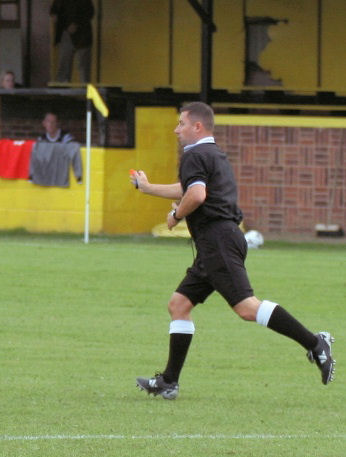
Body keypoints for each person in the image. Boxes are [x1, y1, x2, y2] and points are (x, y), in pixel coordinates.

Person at [132, 102, 335, 400]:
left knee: (246, 308)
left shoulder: (195, 154)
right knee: (179, 305)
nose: (177, 130)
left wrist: (176, 217)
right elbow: (189, 188)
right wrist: (149, 188)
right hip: (218, 240)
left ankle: (315, 343)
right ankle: (169, 382)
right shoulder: (213, 153)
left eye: (181, 124)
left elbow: (196, 194)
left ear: (197, 127)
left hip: (218, 241)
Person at [50, 0, 94, 83]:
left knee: (82, 65)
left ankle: (84, 89)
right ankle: (63, 88)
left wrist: (77, 24)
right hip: (66, 33)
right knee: (64, 63)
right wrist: (54, 15)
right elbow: (54, 9)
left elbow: (89, 12)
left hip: (82, 35)